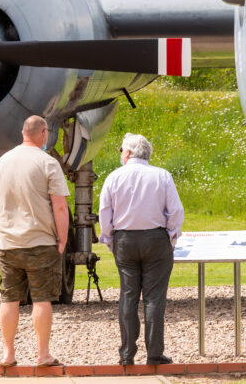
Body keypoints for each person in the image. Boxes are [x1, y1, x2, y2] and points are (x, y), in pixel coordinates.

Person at [0, 115, 70, 368]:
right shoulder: (48, 163)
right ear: (44, 133)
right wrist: (63, 239)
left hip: (8, 243)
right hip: (40, 242)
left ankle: (8, 354)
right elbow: (60, 206)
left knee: (9, 299)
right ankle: (43, 354)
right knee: (42, 299)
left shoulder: (2, 161)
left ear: (23, 133)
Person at [99, 133, 184, 365]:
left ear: (128, 153)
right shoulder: (162, 175)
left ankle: (127, 353)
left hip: (124, 239)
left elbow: (105, 214)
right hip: (156, 238)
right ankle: (154, 353)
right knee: (154, 297)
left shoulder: (114, 177)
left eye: (121, 151)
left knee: (128, 295)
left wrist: (109, 239)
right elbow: (175, 211)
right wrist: (171, 236)